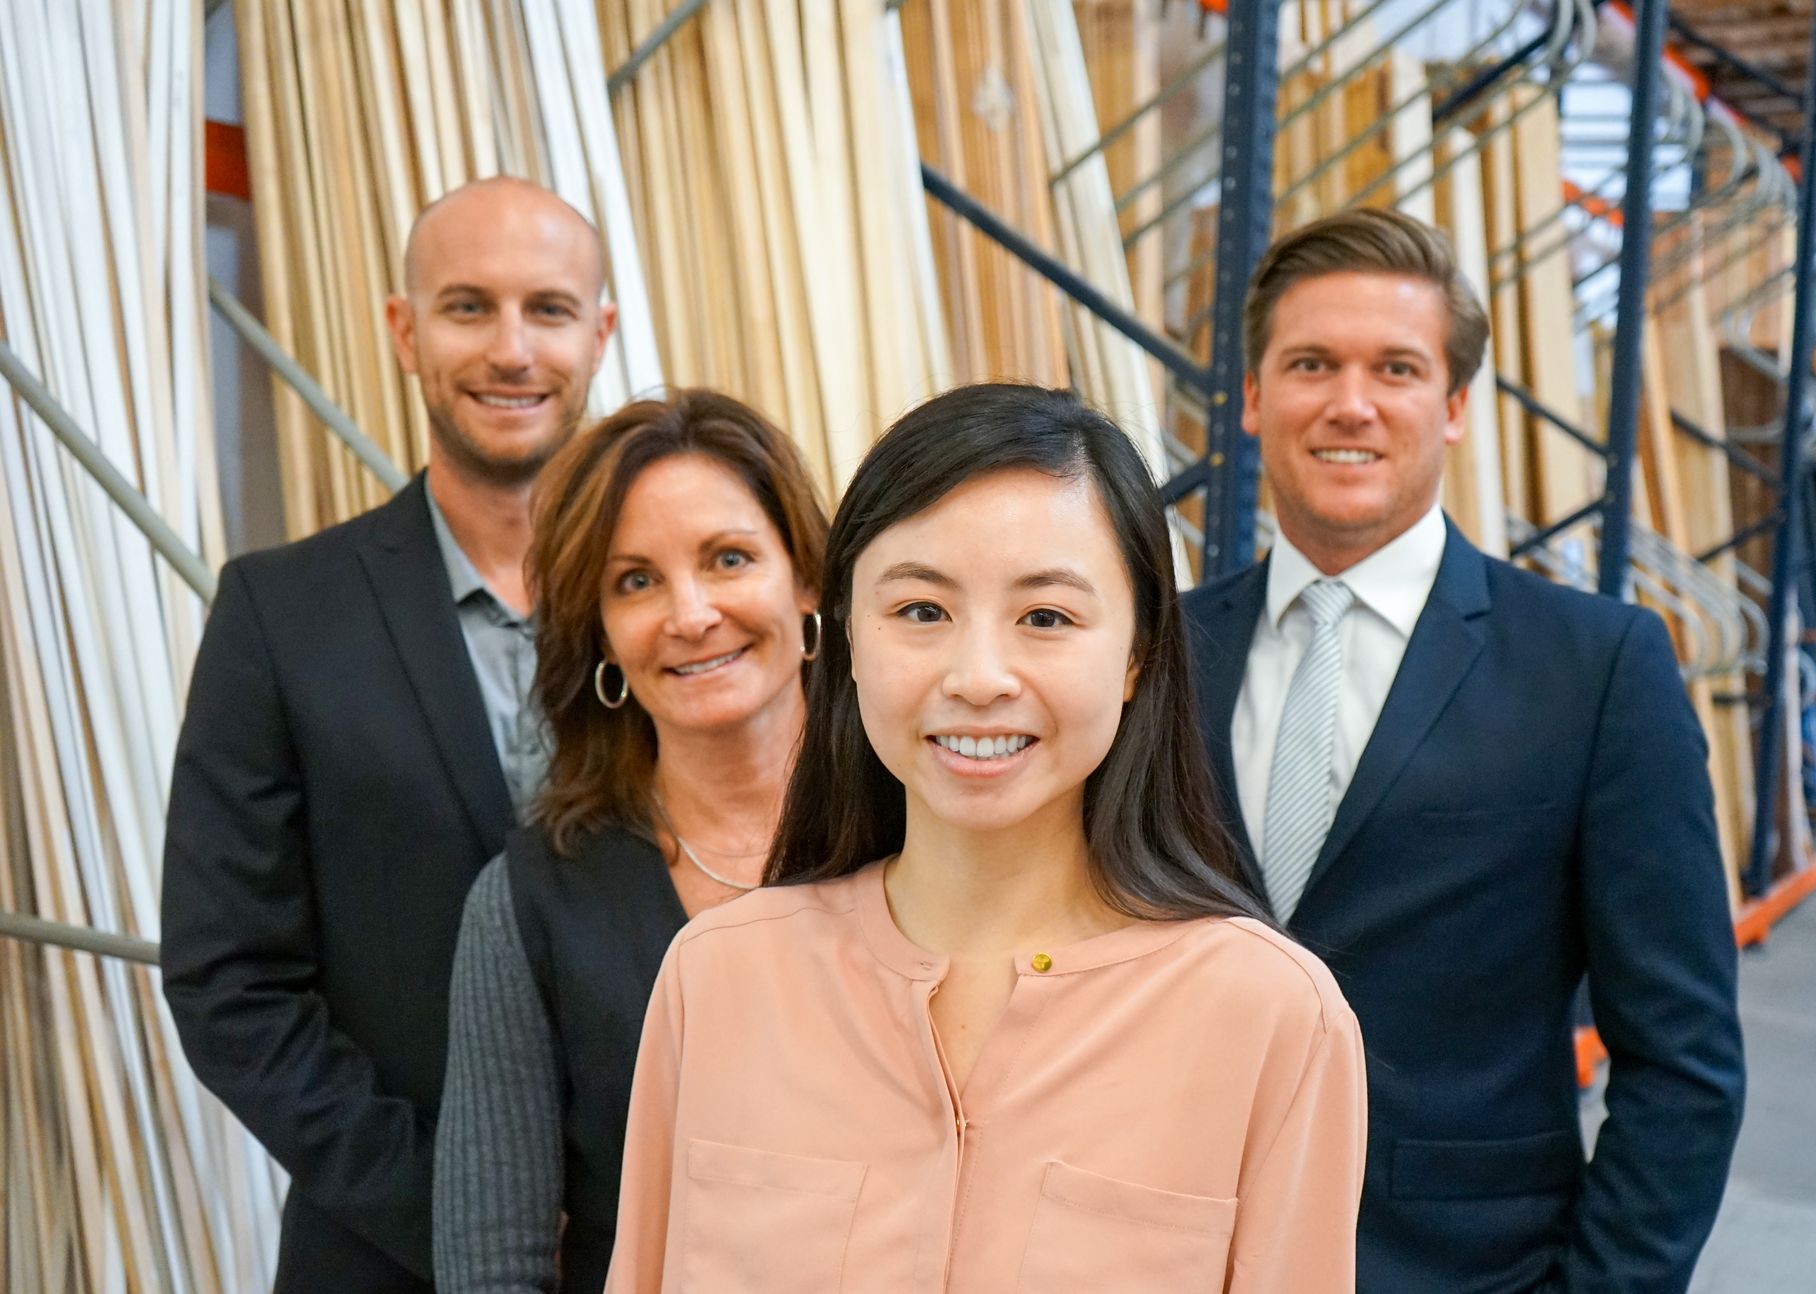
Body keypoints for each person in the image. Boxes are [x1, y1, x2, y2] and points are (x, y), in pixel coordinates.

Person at [604, 382, 1368, 1293]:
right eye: (921, 611)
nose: (978, 677)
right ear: (847, 639)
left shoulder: (1270, 1018)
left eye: (1045, 617)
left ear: (1135, 655)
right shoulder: (717, 980)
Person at [1183, 207, 1745, 1293]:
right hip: (1169, 1250)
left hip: (1464, 1267)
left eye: (1395, 367)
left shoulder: (1596, 669)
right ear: (1253, 398)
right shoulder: (1158, 652)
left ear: (1451, 409)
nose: (1350, 402)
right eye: (1310, 364)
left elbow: (1684, 1060)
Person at [161, 177, 617, 1293]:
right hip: (382, 1252)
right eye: (468, 307)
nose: (512, 349)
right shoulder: (281, 613)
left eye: (549, 309)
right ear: (403, 331)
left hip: (666, 1246)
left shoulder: (685, 620)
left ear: (601, 333)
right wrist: (461, 1211)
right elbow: (231, 981)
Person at [432, 390, 828, 1293]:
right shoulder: (530, 901)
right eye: (636, 581)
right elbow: (493, 1265)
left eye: (728, 559)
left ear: (805, 579)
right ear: (602, 635)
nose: (690, 615)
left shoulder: (930, 841)